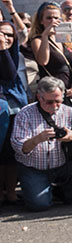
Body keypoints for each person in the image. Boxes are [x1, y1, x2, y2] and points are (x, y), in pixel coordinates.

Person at [10, 77, 72, 210]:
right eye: (49, 102)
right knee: (39, 205)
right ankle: (40, 191)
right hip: (34, 168)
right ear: (39, 97)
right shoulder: (25, 114)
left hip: (62, 165)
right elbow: (18, 146)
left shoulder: (69, 111)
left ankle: (61, 193)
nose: (54, 106)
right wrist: (37, 139)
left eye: (58, 101)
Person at [26, 2, 72, 105]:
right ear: (41, 21)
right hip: (51, 94)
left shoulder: (64, 39)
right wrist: (45, 36)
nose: (53, 21)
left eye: (56, 18)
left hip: (70, 94)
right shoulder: (38, 39)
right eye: (49, 18)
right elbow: (43, 61)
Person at [0, 18, 28, 205]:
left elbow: (10, 74)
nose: (6, 38)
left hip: (14, 106)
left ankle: (10, 191)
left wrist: (3, 50)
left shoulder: (15, 53)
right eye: (2, 34)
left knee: (11, 153)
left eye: (9, 35)